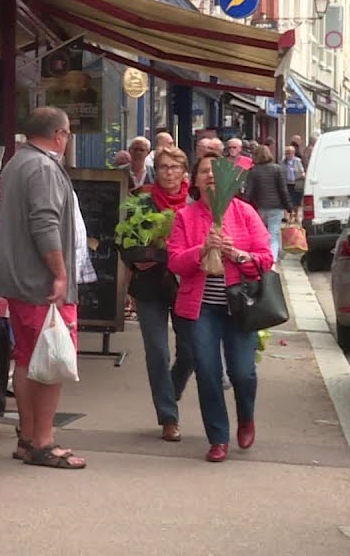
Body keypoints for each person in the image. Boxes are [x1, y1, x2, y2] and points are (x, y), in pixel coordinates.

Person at [0, 106, 87, 469]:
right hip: (40, 283)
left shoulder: (16, 163)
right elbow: (44, 222)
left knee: (29, 359)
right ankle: (44, 441)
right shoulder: (45, 168)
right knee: (52, 358)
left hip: (18, 280)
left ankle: (28, 438)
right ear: (60, 135)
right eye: (68, 134)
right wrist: (60, 274)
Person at [167, 153, 275, 462]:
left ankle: (246, 415)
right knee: (208, 372)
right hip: (200, 309)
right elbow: (175, 261)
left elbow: (265, 259)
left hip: (239, 306)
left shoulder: (244, 213)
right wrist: (202, 250)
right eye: (204, 171)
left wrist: (239, 255)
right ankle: (218, 437)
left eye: (217, 172)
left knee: (242, 372)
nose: (211, 176)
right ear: (195, 180)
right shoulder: (185, 217)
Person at [126, 146, 195, 442]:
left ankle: (172, 387)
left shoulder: (195, 204)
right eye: (164, 167)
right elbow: (127, 244)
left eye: (174, 167)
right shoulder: (141, 201)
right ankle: (168, 417)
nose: (169, 172)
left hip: (187, 286)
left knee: (191, 351)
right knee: (157, 351)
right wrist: (140, 257)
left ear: (184, 172)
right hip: (149, 285)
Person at [243, 145, 294, 259]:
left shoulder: (253, 171)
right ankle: (272, 260)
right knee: (273, 234)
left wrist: (244, 207)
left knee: (261, 234)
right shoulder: (277, 169)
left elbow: (248, 191)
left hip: (260, 207)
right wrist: (289, 208)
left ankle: (263, 257)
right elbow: (283, 190)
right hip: (276, 207)